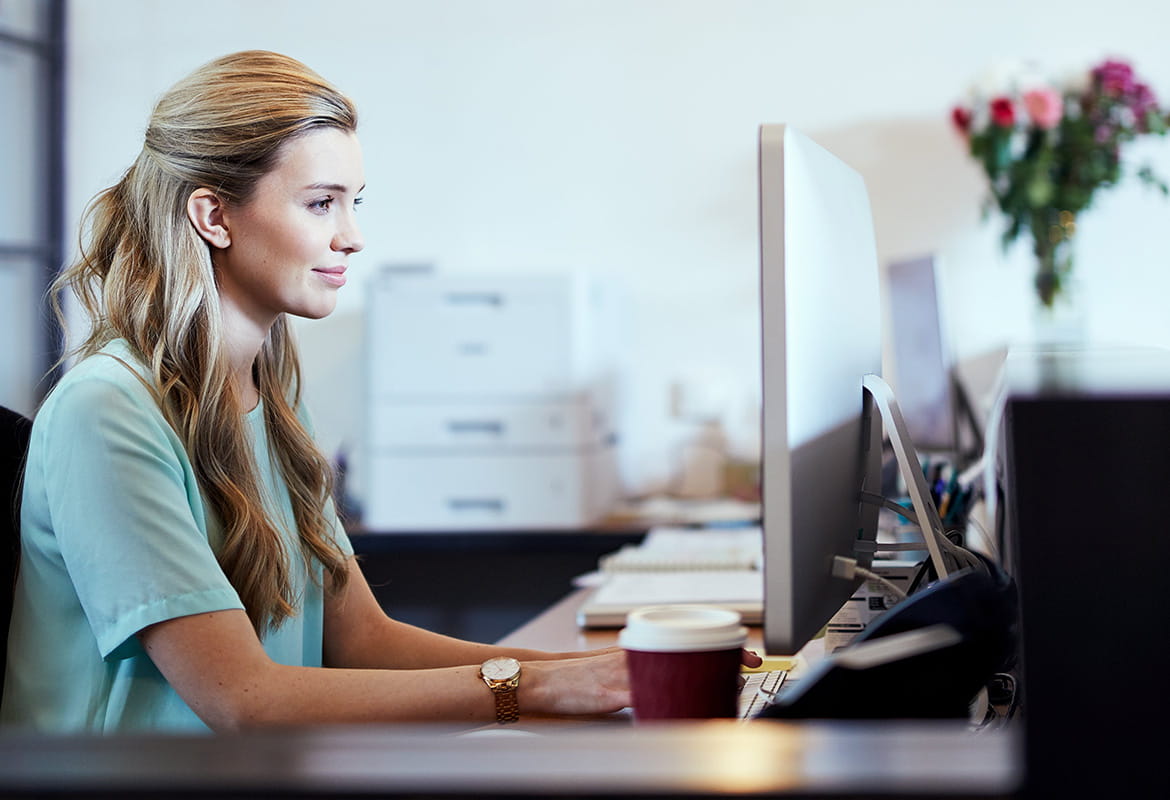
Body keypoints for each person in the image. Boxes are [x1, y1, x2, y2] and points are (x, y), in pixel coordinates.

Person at [2, 51, 756, 733]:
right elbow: (243, 699)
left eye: (355, 202)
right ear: (214, 215)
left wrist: (603, 676)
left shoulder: (269, 395)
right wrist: (533, 688)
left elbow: (362, 639)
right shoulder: (108, 411)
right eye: (322, 203)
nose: (353, 237)